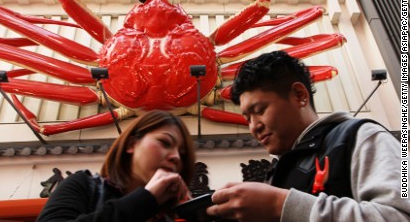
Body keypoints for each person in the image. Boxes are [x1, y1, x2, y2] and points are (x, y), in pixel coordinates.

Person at [206, 51, 410, 221]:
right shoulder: (276, 171)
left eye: (259, 110)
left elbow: (400, 215)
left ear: (299, 95)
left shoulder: (363, 137)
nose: (253, 127)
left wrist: (281, 204)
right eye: (247, 118)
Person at [37, 110, 196, 221]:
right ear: (131, 144)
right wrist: (145, 200)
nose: (176, 157)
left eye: (182, 154)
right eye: (165, 142)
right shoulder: (82, 185)